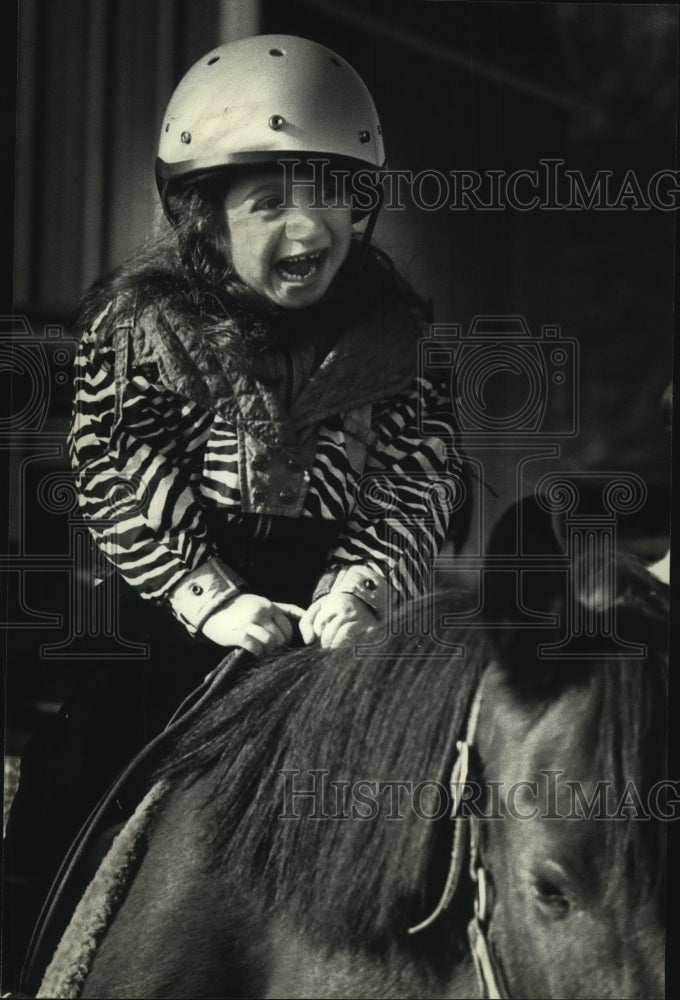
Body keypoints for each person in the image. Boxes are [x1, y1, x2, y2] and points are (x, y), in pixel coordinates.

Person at [69, 34, 470, 659]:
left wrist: (362, 590)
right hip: (170, 625)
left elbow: (414, 479)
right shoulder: (142, 334)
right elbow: (115, 465)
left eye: (328, 195)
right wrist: (211, 598)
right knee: (103, 747)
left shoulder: (396, 348)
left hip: (327, 633)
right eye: (270, 203)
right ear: (207, 220)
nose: (308, 226)